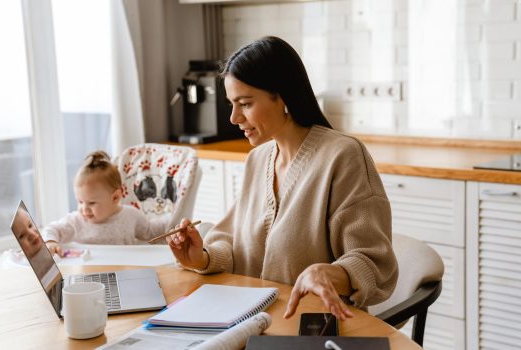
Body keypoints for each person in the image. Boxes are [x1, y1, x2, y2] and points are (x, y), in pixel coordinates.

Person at [166, 36, 398, 321]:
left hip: (316, 327)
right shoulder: (258, 159)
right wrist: (201, 257)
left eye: (245, 104)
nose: (234, 118)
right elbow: (236, 245)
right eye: (232, 104)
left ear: (283, 97)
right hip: (252, 323)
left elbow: (375, 262)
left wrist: (332, 273)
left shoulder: (342, 156)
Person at [42, 150, 168, 256]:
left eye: (91, 203)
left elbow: (150, 231)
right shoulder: (76, 221)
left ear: (115, 197)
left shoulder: (131, 216)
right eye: (80, 202)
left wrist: (174, 222)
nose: (84, 209)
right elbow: (52, 229)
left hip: (125, 271)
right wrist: (51, 242)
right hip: (89, 276)